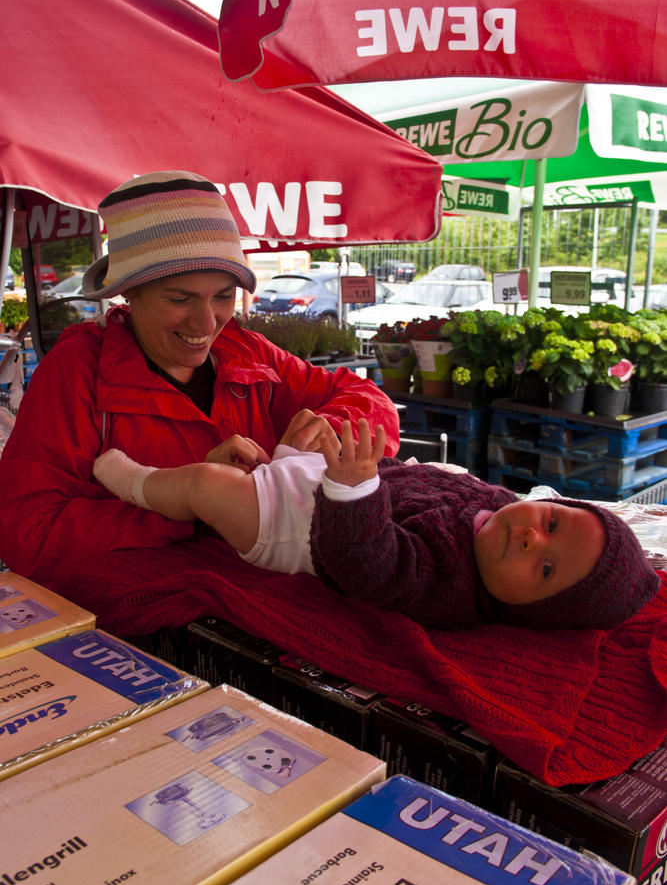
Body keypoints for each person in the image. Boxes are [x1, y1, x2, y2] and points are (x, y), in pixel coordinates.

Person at [0, 171, 399, 608]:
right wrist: (185, 503)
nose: (206, 324)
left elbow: (372, 401)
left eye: (224, 297)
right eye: (179, 299)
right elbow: (26, 534)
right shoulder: (78, 370)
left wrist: (334, 428)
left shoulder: (246, 351)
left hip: (262, 600)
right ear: (128, 294)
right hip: (136, 630)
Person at [93, 417, 660, 632]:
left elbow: (368, 562)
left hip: (300, 531)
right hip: (329, 485)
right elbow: (419, 481)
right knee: (304, 431)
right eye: (554, 522)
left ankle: (132, 481)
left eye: (545, 568)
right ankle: (286, 462)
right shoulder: (494, 502)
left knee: (207, 486)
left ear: (527, 610)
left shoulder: (451, 587)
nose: (533, 536)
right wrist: (348, 464)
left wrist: (354, 484)